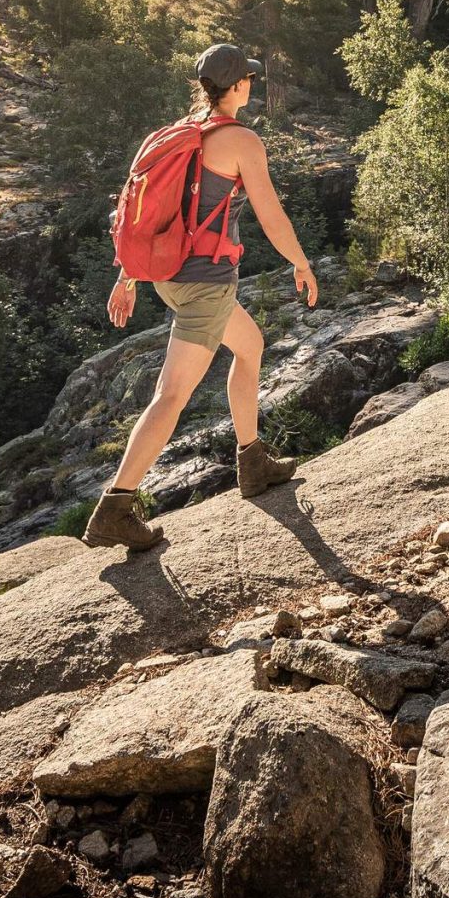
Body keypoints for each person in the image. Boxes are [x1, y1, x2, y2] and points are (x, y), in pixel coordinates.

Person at [82, 43, 319, 551]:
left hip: (170, 276)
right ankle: (116, 507)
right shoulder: (240, 140)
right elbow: (271, 214)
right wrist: (300, 262)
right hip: (205, 283)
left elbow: (140, 213)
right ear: (235, 86)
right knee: (171, 395)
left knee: (250, 346)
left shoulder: (180, 134)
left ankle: (252, 460)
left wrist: (128, 276)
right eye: (248, 79)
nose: (251, 85)